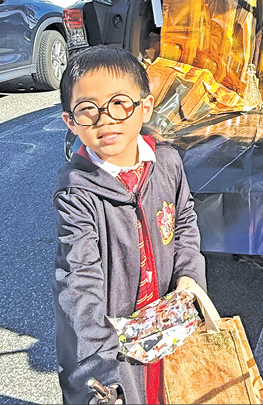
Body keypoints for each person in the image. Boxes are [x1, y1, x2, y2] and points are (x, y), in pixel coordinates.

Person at [54, 46, 206, 404]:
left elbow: (183, 219)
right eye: (88, 109)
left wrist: (189, 274)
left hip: (167, 324)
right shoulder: (76, 192)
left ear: (145, 107)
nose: (105, 119)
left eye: (119, 103)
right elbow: (78, 280)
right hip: (113, 347)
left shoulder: (167, 163)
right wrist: (101, 373)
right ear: (70, 122)